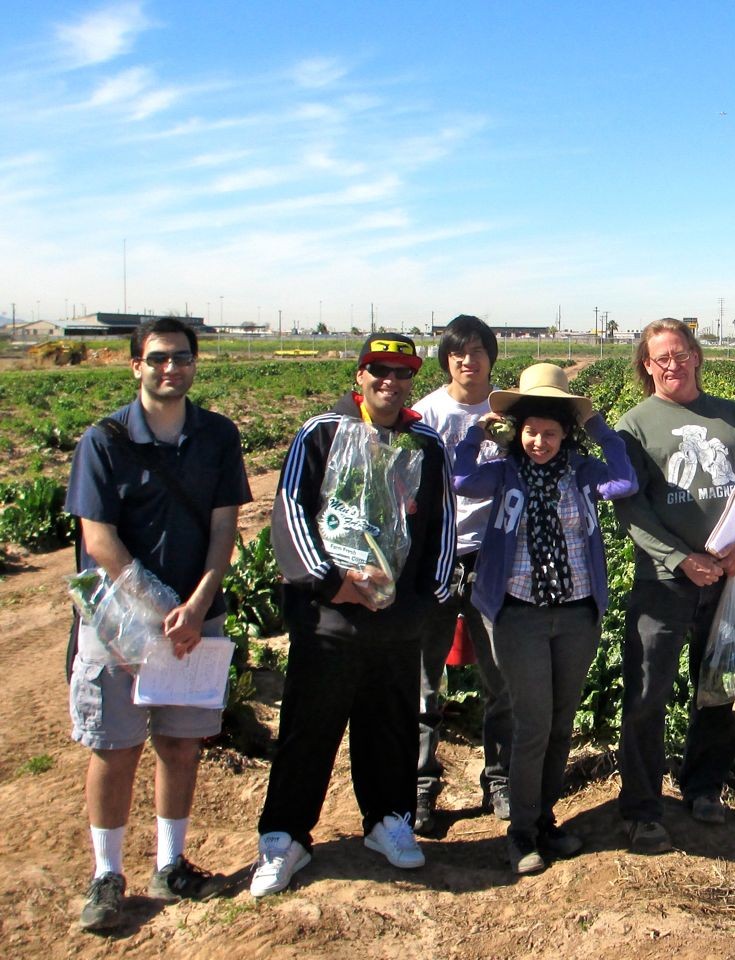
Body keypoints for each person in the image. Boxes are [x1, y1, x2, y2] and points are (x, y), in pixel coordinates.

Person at [250, 333, 455, 897]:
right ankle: (286, 835)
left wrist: (428, 593)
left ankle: (387, 820)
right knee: (310, 722)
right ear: (359, 376)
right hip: (330, 613)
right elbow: (291, 507)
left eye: (401, 372)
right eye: (378, 371)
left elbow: (441, 522)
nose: (390, 381)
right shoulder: (322, 432)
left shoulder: (425, 442)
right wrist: (331, 581)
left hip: (397, 618)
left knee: (388, 718)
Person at [66, 316, 251, 932]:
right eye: (158, 359)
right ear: (136, 366)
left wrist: (198, 604)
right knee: (115, 747)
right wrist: (154, 610)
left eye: (182, 358)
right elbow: (99, 540)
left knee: (180, 743)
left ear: (196, 363)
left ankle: (170, 863)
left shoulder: (218, 436)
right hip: (119, 622)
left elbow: (225, 527)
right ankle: (106, 874)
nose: (171, 368)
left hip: (196, 620)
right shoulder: (105, 440)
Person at [453, 363, 637, 874]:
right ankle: (521, 833)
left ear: (565, 433)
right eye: (531, 431)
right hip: (519, 616)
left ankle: (546, 821)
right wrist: (477, 432)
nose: (540, 442)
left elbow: (624, 479)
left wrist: (600, 428)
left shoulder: (583, 470)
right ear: (519, 432)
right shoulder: (504, 471)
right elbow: (461, 478)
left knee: (560, 724)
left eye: (551, 432)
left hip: (576, 614)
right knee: (533, 723)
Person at [614, 318, 735, 854]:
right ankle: (641, 807)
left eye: (680, 353)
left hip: (725, 580)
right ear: (646, 366)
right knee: (645, 693)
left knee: (718, 689)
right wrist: (680, 558)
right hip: (663, 584)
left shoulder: (731, 417)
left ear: (697, 356)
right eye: (660, 358)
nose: (672, 364)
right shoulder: (635, 425)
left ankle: (702, 787)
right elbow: (629, 507)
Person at [411, 315, 513, 833]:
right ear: (445, 358)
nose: (467, 360)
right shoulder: (426, 414)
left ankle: (500, 781)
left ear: (491, 357)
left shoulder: (507, 410)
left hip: (494, 556)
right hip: (435, 557)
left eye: (476, 351)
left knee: (501, 677)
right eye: (457, 352)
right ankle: (422, 788)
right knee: (426, 682)